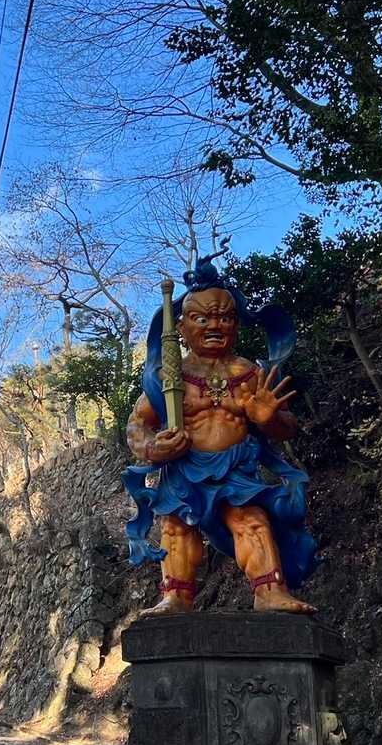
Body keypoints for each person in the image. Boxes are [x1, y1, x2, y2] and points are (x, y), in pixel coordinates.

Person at [124, 260, 318, 616]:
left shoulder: (250, 373)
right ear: (182, 327)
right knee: (177, 528)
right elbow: (137, 425)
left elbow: (288, 428)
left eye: (225, 318)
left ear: (237, 325)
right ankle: (175, 597)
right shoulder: (169, 376)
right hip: (184, 467)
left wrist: (269, 419)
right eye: (202, 318)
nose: (215, 326)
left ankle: (270, 591)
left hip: (235, 467)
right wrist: (153, 447)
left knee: (252, 521)